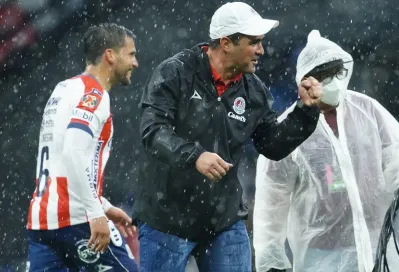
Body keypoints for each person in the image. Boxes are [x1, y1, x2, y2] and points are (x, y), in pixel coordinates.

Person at [132, 2, 323, 271]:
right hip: (166, 219)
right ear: (225, 43)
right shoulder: (174, 72)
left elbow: (273, 145)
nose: (261, 50)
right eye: (253, 42)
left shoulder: (254, 91)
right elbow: (153, 132)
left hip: (223, 221)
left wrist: (306, 110)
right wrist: (195, 156)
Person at [253, 29, 399, 272]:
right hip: (321, 255)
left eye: (337, 73)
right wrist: (270, 259)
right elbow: (272, 200)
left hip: (378, 244)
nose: (333, 81)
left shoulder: (367, 110)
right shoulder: (288, 130)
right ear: (306, 80)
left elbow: (397, 152)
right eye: (324, 75)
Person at [26, 23, 139, 271]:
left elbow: (60, 161)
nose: (135, 63)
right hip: (76, 220)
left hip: (42, 223)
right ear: (110, 55)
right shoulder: (95, 95)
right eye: (130, 54)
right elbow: (73, 152)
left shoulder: (62, 89)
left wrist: (106, 207)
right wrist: (96, 212)